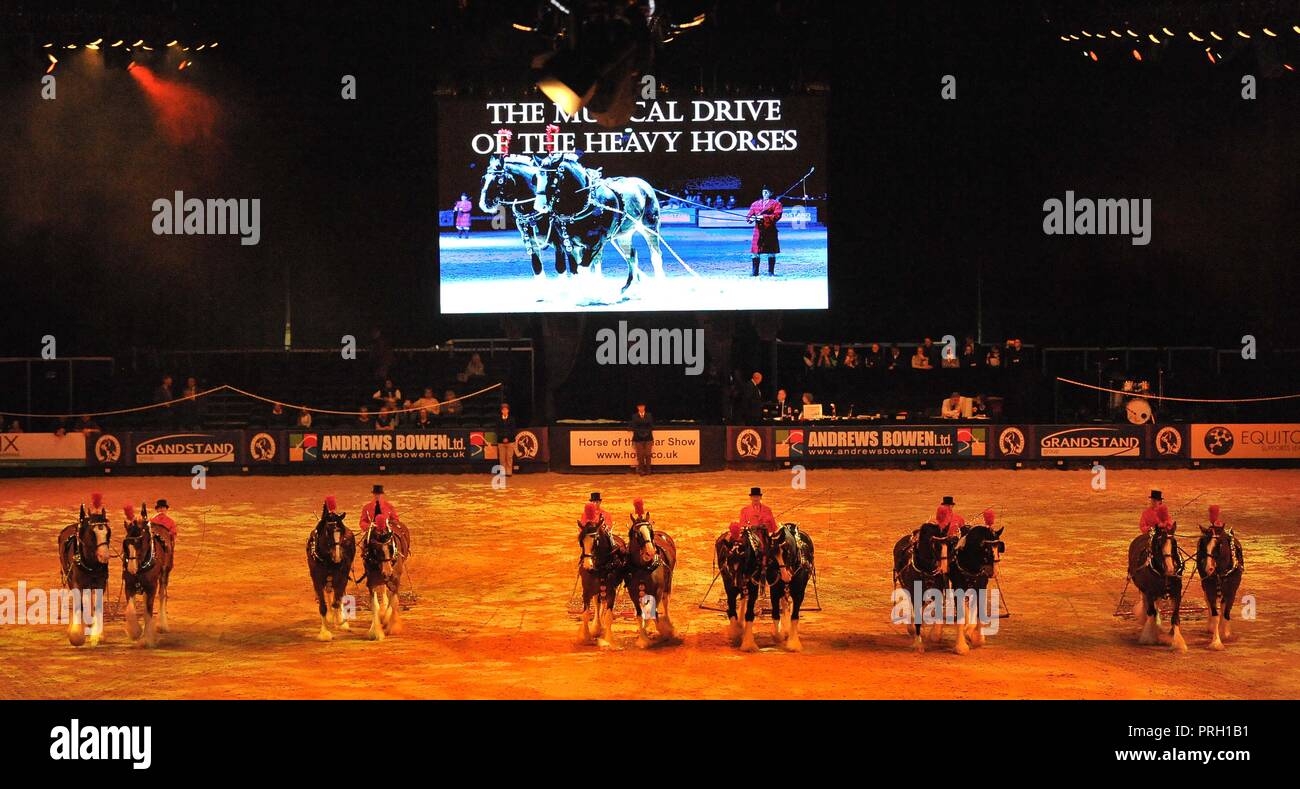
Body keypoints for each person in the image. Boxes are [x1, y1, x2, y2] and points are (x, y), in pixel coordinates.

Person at [745, 186, 783, 276]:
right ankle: (755, 272)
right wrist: (751, 219)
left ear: (771, 193)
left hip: (770, 231)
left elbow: (777, 216)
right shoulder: (755, 204)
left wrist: (763, 217)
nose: (764, 194)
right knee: (755, 252)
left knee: (771, 252)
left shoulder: (776, 204)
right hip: (758, 231)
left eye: (767, 192)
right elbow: (748, 217)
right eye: (763, 192)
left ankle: (771, 272)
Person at [630, 401, 654, 475]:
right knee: (640, 455)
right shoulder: (634, 416)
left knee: (648, 454)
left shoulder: (649, 415)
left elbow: (651, 426)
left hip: (648, 438)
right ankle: (641, 470)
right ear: (638, 408)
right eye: (640, 407)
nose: (641, 408)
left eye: (642, 406)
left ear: (644, 407)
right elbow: (634, 427)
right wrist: (641, 433)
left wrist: (646, 433)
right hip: (638, 438)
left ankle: (648, 470)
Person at [495, 402, 517, 476]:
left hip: (510, 441)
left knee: (509, 457)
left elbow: (513, 430)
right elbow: (497, 430)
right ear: (501, 411)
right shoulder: (498, 420)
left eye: (506, 409)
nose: (504, 411)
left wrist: (507, 438)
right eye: (503, 409)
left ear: (508, 410)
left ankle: (509, 472)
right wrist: (503, 438)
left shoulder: (512, 419)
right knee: (502, 458)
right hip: (501, 442)